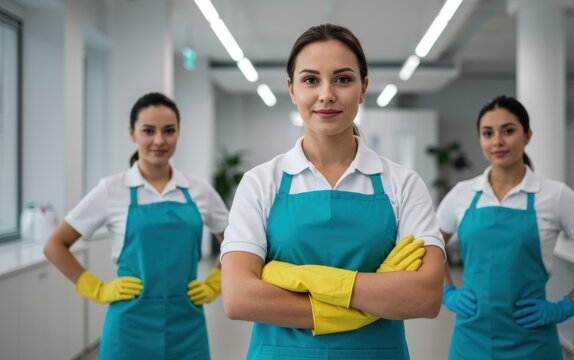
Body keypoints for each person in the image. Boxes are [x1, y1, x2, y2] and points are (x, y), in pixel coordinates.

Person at [220, 23, 445, 359]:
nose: (326, 94)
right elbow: (239, 297)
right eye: (311, 80)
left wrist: (306, 278)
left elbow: (425, 296)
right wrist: (363, 300)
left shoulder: (402, 183)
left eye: (343, 79)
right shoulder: (260, 183)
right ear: (292, 89)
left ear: (363, 87)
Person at [43, 92, 229, 360]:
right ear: (132, 133)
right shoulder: (112, 189)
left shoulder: (198, 190)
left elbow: (237, 242)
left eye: (168, 131)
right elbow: (54, 245)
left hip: (187, 323)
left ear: (178, 133)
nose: (159, 140)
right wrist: (95, 288)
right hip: (129, 325)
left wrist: (216, 280)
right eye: (148, 131)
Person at [436, 95, 574, 359]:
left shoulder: (555, 195)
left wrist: (565, 307)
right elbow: (430, 246)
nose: (497, 141)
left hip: (533, 341)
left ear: (527, 135)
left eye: (508, 131)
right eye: (488, 133)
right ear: (480, 140)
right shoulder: (462, 194)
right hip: (470, 340)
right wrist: (447, 292)